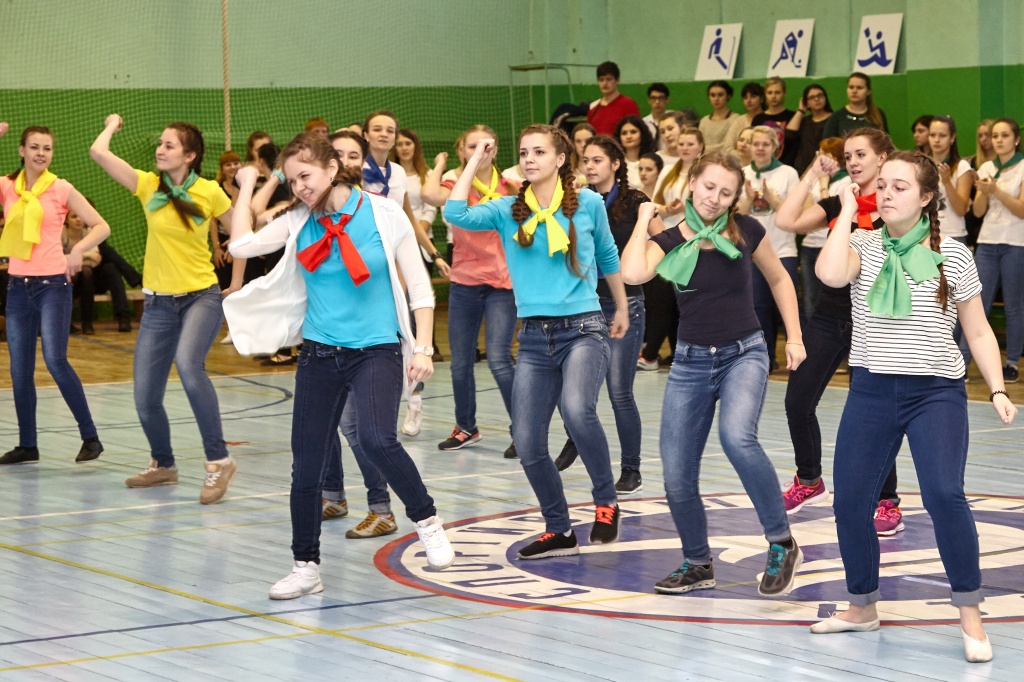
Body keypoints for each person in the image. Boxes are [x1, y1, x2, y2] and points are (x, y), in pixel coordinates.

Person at [225, 132, 455, 598]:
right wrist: (248, 184)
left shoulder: (384, 213)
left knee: (375, 438)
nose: (299, 187)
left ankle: (427, 520)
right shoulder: (297, 220)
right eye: (292, 181)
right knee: (307, 463)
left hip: (376, 350)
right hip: (319, 354)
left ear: (332, 168)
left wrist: (424, 348)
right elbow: (240, 246)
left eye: (305, 176)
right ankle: (305, 566)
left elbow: (419, 288)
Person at [811, 150, 1015, 664]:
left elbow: (977, 330)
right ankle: (862, 605)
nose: (886, 193)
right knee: (850, 501)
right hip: (871, 391)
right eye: (882, 185)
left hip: (936, 393)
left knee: (944, 494)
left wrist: (996, 388)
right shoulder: (861, 244)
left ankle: (970, 614)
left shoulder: (956, 256)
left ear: (926, 197)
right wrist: (844, 210)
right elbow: (829, 274)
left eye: (899, 187)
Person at [619, 151, 805, 597]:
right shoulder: (669, 237)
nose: (714, 198)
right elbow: (632, 272)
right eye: (708, 187)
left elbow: (780, 280)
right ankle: (698, 562)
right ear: (691, 184)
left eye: (725, 192)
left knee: (737, 437)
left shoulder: (747, 230)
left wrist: (795, 338)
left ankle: (781, 541)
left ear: (734, 197)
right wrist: (644, 220)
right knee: (676, 472)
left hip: (745, 352)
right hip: (690, 362)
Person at [443, 124, 628, 559]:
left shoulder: (588, 202)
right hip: (533, 337)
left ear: (560, 159)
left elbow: (607, 254)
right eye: (524, 152)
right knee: (527, 442)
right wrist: (475, 160)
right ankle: (558, 528)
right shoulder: (507, 208)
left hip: (583, 327)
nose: (529, 159)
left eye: (539, 152)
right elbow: (455, 213)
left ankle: (606, 501)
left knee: (577, 410)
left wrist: (620, 306)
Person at [91, 114, 239, 503]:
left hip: (201, 297)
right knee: (145, 396)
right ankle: (164, 464)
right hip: (157, 304)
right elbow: (98, 153)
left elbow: (242, 230)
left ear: (189, 156)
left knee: (189, 365)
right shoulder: (147, 185)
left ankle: (219, 461)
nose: (160, 149)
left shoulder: (209, 191)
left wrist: (237, 280)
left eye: (169, 145)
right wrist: (111, 126)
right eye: (160, 143)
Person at [775, 129, 904, 531]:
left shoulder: (897, 207)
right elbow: (786, 220)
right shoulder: (839, 203)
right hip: (830, 316)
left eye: (860, 154)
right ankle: (809, 480)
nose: (852, 162)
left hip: (875, 319)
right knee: (797, 401)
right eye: (848, 156)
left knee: (875, 414)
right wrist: (813, 172)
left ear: (883, 157)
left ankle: (887, 500)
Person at [0, 122, 108, 465]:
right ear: (22, 151)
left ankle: (90, 438)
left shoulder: (60, 188)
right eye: (34, 147)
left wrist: (78, 250)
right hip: (17, 286)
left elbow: (101, 226)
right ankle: (27, 445)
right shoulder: (7, 186)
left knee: (55, 360)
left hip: (53, 286)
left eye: (47, 148)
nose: (41, 153)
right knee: (19, 370)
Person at [559, 135, 661, 494]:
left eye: (597, 160)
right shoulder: (577, 199)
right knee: (571, 387)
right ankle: (576, 437)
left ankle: (631, 468)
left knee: (619, 391)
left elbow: (663, 240)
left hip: (625, 302)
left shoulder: (635, 201)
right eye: (585, 160)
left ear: (616, 164)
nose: (589, 166)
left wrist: (641, 264)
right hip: (583, 303)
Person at [420, 125, 520, 457]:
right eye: (472, 146)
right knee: (460, 362)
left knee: (499, 359)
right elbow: (429, 195)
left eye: (486, 144)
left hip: (502, 285)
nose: (481, 150)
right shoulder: (456, 186)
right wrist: (439, 164)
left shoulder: (511, 186)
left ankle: (523, 429)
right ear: (462, 152)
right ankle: (466, 427)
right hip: (465, 283)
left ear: (497, 148)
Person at [959, 118, 1024, 383]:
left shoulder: (1022, 166)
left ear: (1016, 139)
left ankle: (1012, 362)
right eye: (995, 135)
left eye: (1004, 135)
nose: (998, 140)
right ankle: (962, 362)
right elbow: (977, 212)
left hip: (1016, 243)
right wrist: (984, 192)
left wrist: (996, 189)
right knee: (975, 304)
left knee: (1014, 306)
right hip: (987, 242)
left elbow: (1021, 210)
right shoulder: (986, 166)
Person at [392, 127, 441, 434]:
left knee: (413, 325)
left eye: (408, 142)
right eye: (400, 143)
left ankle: (415, 402)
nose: (404, 147)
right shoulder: (388, 176)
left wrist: (433, 253)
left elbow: (423, 214)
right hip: (384, 256)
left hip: (415, 249)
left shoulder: (423, 176)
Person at [738, 126, 800, 371]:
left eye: (766, 144)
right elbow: (734, 216)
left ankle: (796, 354)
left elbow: (795, 214)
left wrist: (773, 200)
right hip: (752, 252)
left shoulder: (788, 173)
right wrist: (748, 199)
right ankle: (765, 356)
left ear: (775, 147)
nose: (761, 148)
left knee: (784, 305)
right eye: (756, 144)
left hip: (783, 249)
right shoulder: (742, 173)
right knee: (758, 306)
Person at [798, 137, 850, 319]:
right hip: (809, 246)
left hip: (830, 246)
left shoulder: (846, 181)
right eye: (818, 153)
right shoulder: (818, 178)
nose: (820, 158)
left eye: (825, 154)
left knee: (831, 300)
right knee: (809, 301)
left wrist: (823, 186)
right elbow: (803, 212)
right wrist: (815, 178)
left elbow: (832, 214)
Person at [63, 208, 133, 334]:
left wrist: (73, 259)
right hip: (68, 279)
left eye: (80, 216)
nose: (78, 220)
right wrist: (85, 255)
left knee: (91, 272)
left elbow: (95, 259)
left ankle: (90, 324)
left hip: (89, 280)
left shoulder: (89, 232)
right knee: (78, 273)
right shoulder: (61, 233)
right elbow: (57, 259)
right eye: (74, 216)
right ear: (66, 220)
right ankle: (67, 322)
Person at [928, 116, 972, 243]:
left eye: (942, 135)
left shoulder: (961, 166)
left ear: (952, 138)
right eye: (932, 135)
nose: (936, 140)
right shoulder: (922, 165)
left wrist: (947, 182)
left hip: (953, 234)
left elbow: (961, 210)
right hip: (925, 233)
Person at [785, 84, 833, 174]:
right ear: (806, 103)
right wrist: (801, 110)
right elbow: (789, 134)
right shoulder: (804, 121)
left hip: (826, 169)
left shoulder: (834, 119)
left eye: (820, 95)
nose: (817, 99)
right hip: (802, 170)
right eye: (812, 97)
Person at [822, 72, 888, 139]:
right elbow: (827, 143)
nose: (854, 91)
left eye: (859, 88)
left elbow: (886, 142)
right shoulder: (836, 117)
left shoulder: (878, 114)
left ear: (868, 91)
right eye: (851, 87)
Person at [586, 61, 640, 135]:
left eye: (608, 79)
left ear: (617, 80)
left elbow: (636, 133)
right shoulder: (593, 107)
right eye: (601, 80)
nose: (604, 83)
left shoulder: (629, 104)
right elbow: (588, 134)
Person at [752, 77, 796, 152]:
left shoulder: (793, 116)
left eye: (777, 92)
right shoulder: (758, 119)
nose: (773, 96)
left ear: (784, 94)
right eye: (770, 93)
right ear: (765, 94)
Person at [615, 115, 655, 191]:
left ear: (642, 134)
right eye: (624, 133)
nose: (628, 136)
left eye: (633, 132)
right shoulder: (615, 163)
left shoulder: (652, 160)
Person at [699, 81, 738, 155]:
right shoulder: (704, 121)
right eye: (712, 95)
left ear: (728, 96)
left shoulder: (736, 119)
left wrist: (706, 149)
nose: (716, 99)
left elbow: (728, 145)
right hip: (704, 159)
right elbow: (699, 145)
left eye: (720, 95)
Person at [724, 82, 766, 151]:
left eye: (753, 97)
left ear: (762, 99)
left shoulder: (769, 119)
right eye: (745, 98)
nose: (748, 101)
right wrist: (742, 156)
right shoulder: (739, 120)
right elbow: (727, 147)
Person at [643, 83, 670, 148]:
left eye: (661, 98)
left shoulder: (674, 119)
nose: (657, 102)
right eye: (653, 98)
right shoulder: (643, 123)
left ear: (667, 100)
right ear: (649, 100)